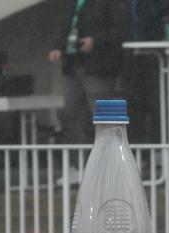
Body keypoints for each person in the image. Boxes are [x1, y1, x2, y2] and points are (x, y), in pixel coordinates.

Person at [49, 0, 129, 146]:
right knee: (69, 112)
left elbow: (121, 30)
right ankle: (78, 158)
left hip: (99, 65)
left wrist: (96, 41)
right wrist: (59, 47)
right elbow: (68, 27)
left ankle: (108, 157)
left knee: (102, 114)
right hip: (75, 63)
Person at [123, 0, 169, 144]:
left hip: (152, 48)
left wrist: (154, 10)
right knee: (132, 101)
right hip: (128, 52)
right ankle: (137, 148)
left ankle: (159, 146)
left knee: (157, 101)